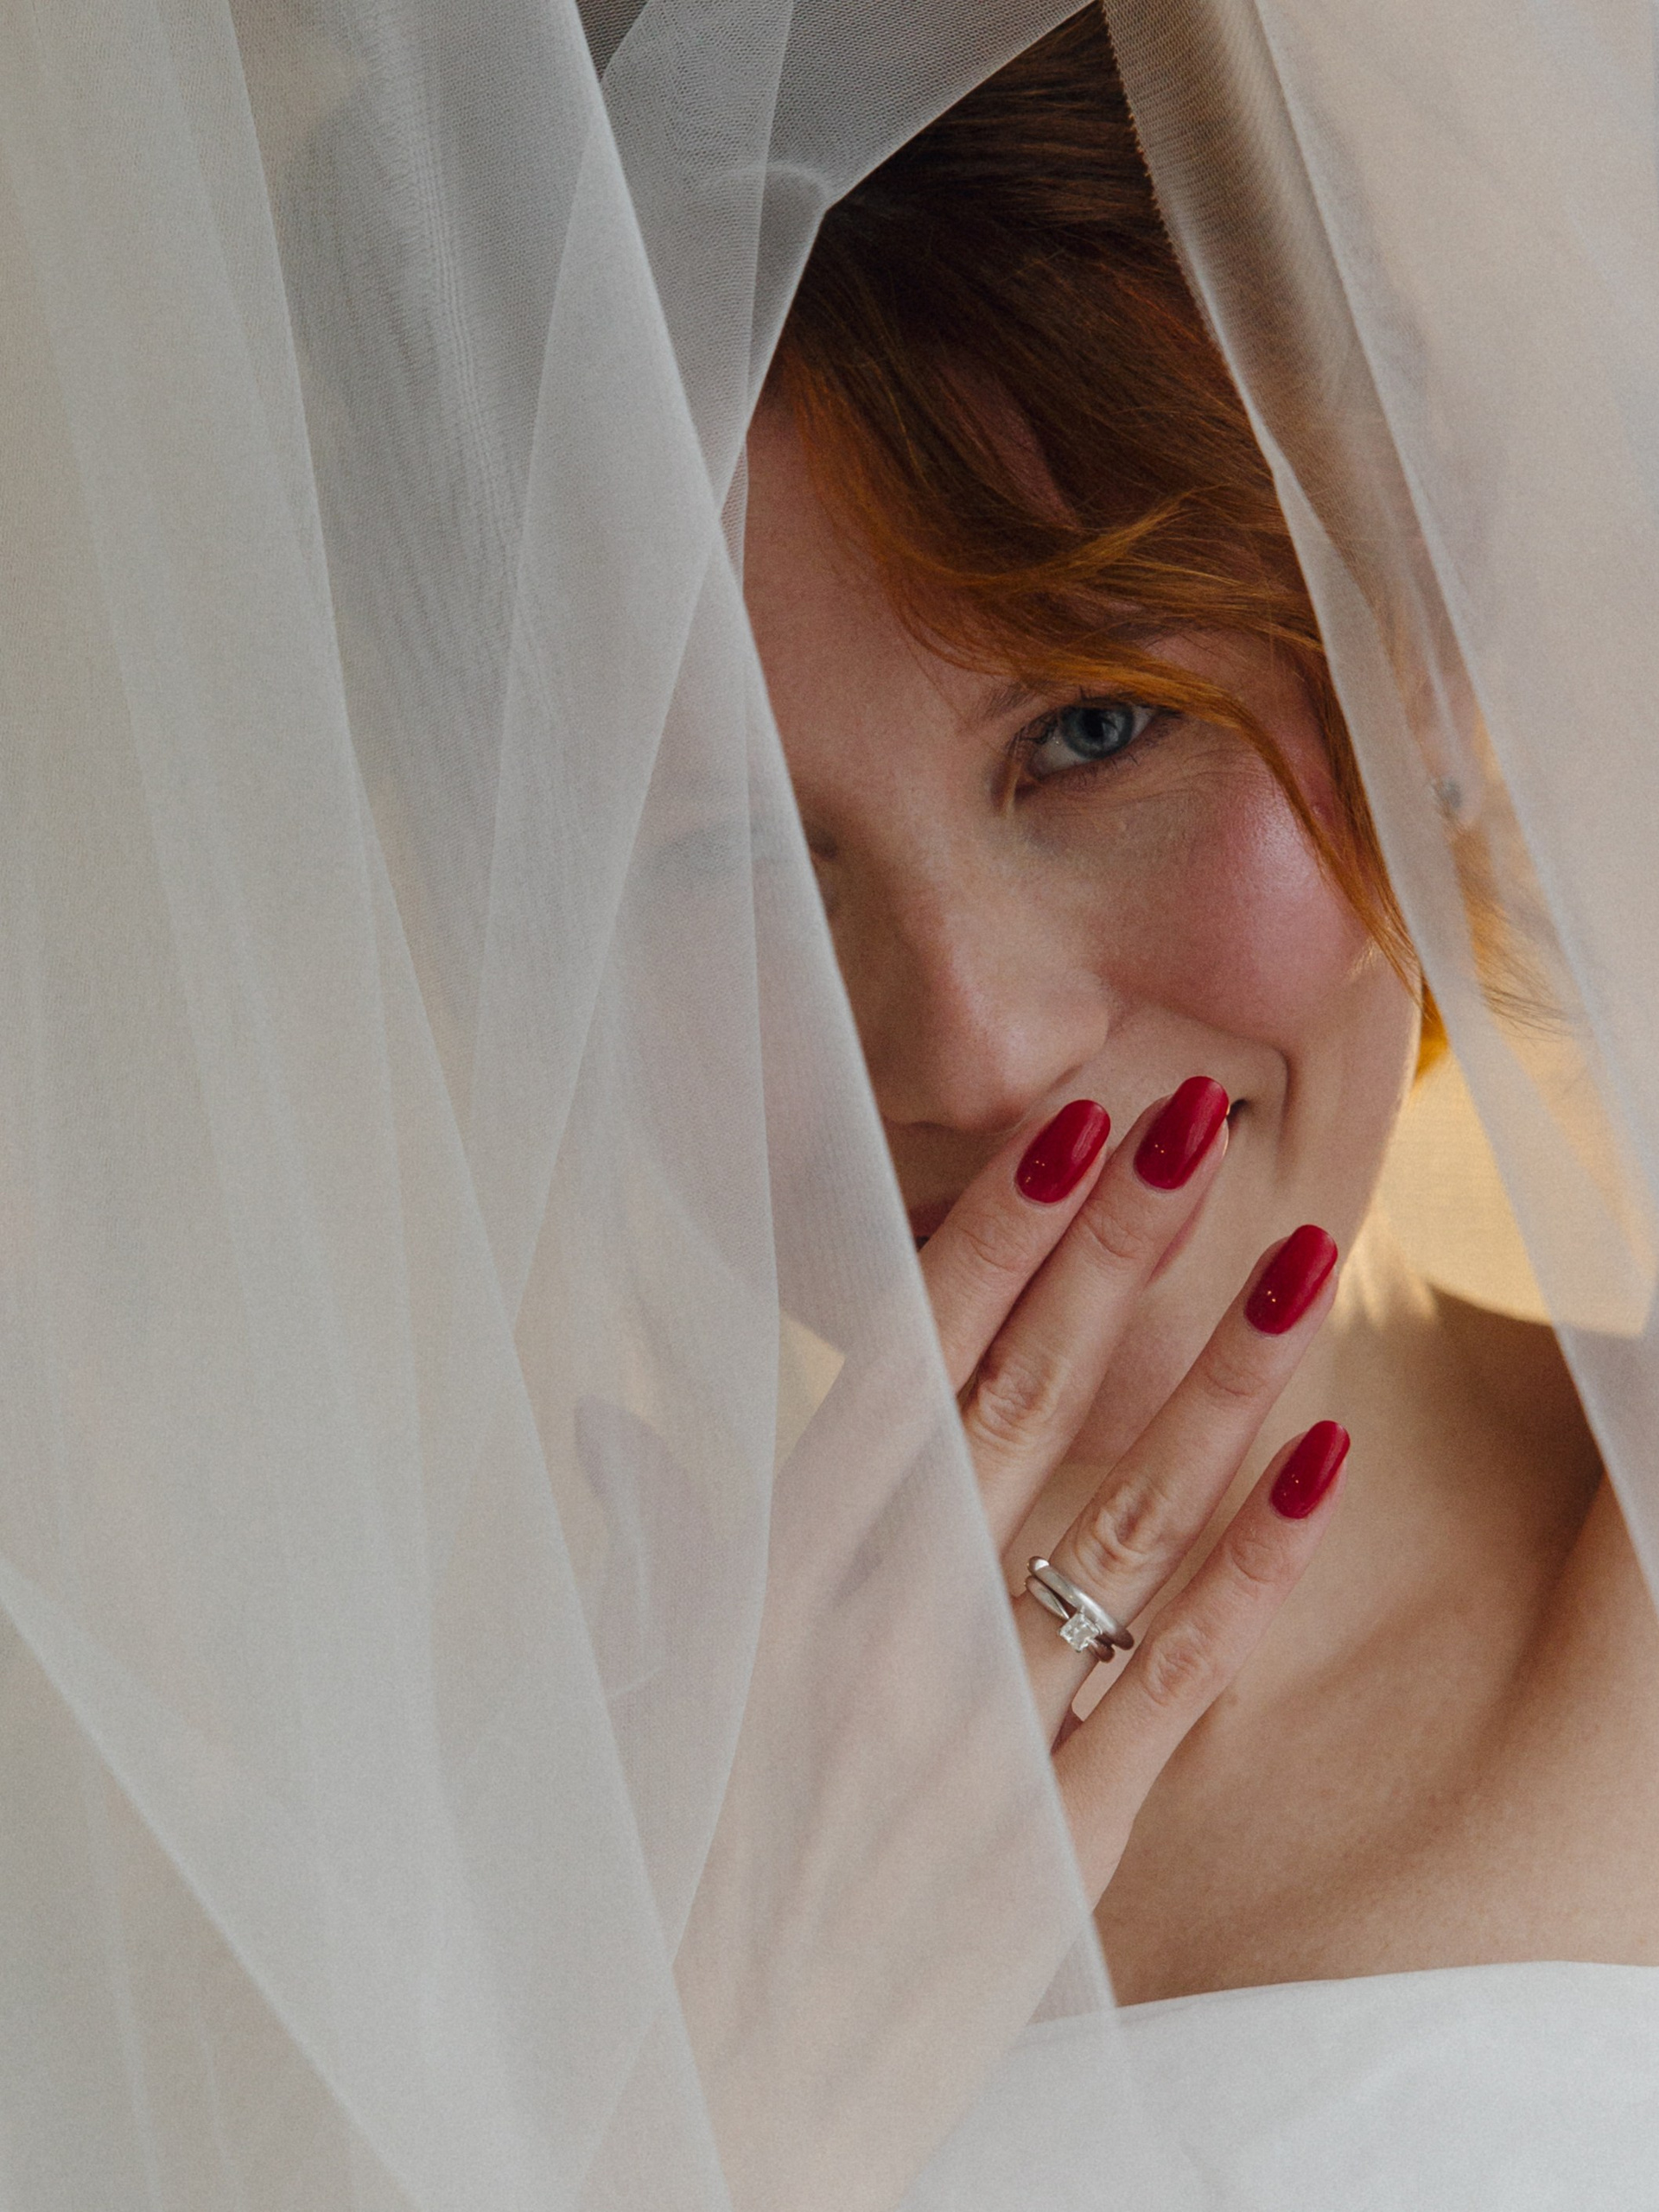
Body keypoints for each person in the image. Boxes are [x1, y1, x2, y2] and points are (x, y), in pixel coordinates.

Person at [741, 14, 1659, 2193]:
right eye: (741, 861)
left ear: (1410, 661)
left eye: (1089, 731)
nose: (974, 1047)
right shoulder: (405, 1830)